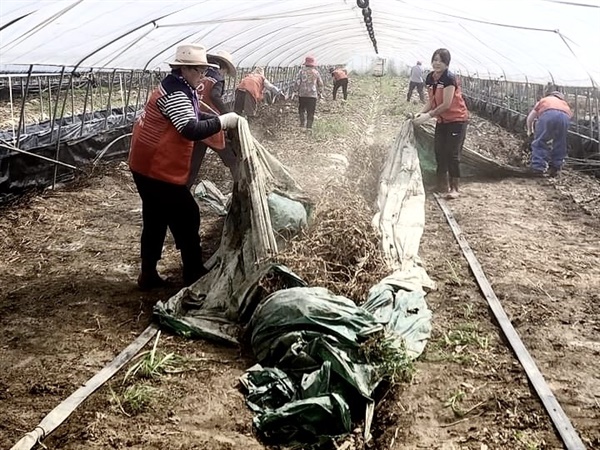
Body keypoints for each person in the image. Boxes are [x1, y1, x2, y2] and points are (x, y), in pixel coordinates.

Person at [128, 43, 241, 290]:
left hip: (144, 163)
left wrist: (214, 120)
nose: (203, 76)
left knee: (155, 218)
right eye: (200, 71)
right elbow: (189, 129)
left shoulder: (179, 86)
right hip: (155, 168)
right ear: (186, 69)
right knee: (187, 214)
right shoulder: (176, 93)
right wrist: (223, 121)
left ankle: (148, 276)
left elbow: (195, 114)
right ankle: (192, 272)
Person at [412, 48, 469, 199]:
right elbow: (432, 101)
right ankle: (441, 184)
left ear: (446, 63)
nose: (437, 63)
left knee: (452, 153)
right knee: (439, 151)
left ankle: (454, 188)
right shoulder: (430, 77)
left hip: (457, 120)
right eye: (435, 60)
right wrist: (421, 112)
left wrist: (428, 116)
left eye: (441, 60)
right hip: (442, 121)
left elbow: (446, 104)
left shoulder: (449, 78)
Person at [189, 50, 239, 188]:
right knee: (230, 156)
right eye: (226, 71)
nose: (225, 73)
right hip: (210, 123)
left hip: (195, 119)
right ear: (223, 67)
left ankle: (183, 189)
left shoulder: (202, 75)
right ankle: (241, 184)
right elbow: (214, 96)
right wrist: (227, 115)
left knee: (194, 161)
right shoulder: (217, 78)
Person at [526, 90, 572, 177]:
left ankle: (538, 167)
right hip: (565, 117)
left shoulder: (544, 100)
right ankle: (556, 167)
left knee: (540, 141)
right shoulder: (564, 104)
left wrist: (530, 130)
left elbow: (530, 118)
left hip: (548, 114)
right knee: (560, 142)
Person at [295, 56, 324, 129]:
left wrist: (295, 91)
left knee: (301, 108)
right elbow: (320, 83)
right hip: (312, 95)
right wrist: (320, 93)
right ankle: (309, 126)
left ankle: (302, 123)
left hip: (302, 94)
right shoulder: (316, 72)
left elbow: (297, 82)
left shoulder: (301, 72)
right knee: (311, 111)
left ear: (306, 64)